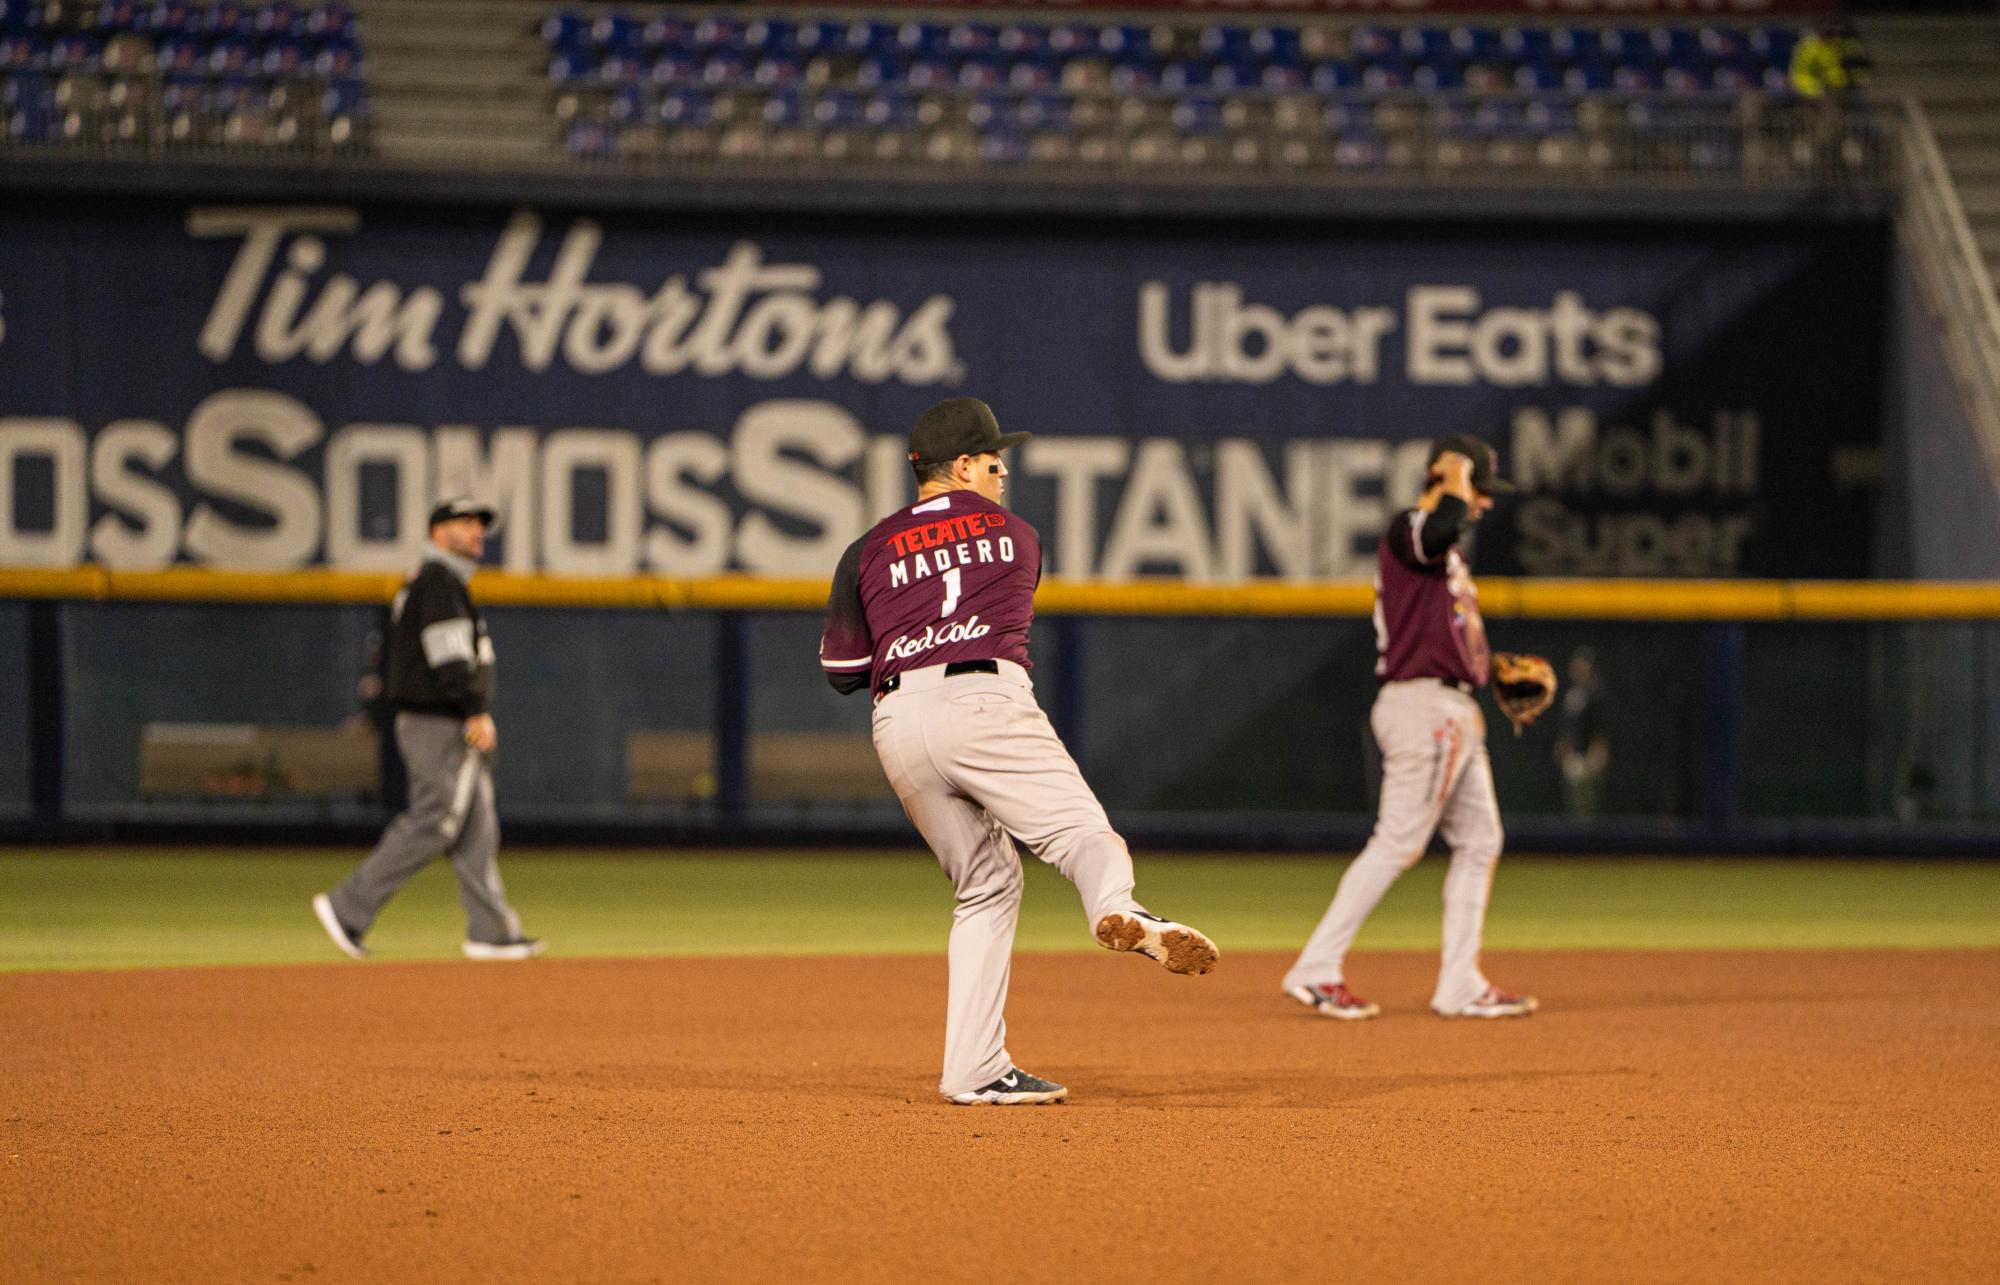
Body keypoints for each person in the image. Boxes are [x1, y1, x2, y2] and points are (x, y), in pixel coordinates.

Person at [820, 397, 1218, 1106]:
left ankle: (974, 1068)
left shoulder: (865, 548)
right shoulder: (1017, 534)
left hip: (898, 721)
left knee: (985, 885)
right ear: (964, 464)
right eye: (996, 462)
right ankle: (1120, 907)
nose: (1004, 475)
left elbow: (843, 673)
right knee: (1081, 835)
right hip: (984, 700)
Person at [1282, 435, 1536, 1021]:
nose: (1485, 504)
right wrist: (1454, 477)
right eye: (1480, 489)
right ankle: (1316, 969)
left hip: (1449, 705)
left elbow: (1439, 623)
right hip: (1424, 710)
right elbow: (1443, 526)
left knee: (1481, 840)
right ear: (1447, 477)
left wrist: (1484, 671)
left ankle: (1460, 983)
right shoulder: (1413, 528)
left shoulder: (1445, 556)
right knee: (1398, 840)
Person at [312, 497, 543, 962]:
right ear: (439, 534)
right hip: (438, 720)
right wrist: (474, 709)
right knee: (436, 820)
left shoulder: (441, 581)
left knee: (478, 827)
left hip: (444, 716)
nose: (477, 531)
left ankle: (491, 931)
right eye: (465, 523)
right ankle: (348, 906)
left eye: (481, 524)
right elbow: (450, 659)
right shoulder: (439, 582)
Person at [1554, 646, 1609, 817]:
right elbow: (1567, 725)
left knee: (1590, 802)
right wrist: (1562, 744)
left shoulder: (1596, 692)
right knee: (1574, 801)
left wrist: (1600, 748)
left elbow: (1601, 724)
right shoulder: (1571, 693)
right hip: (1574, 753)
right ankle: (1578, 839)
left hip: (1589, 753)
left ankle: (1592, 839)